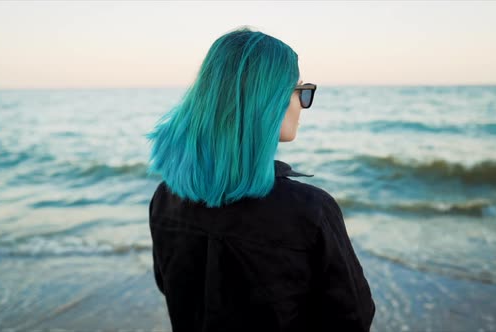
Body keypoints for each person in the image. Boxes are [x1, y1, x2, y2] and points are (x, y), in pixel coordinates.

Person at [146, 26, 375, 332]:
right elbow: (353, 319)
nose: (302, 105)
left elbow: (170, 287)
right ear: (269, 100)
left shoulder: (165, 197)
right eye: (299, 91)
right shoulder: (308, 211)